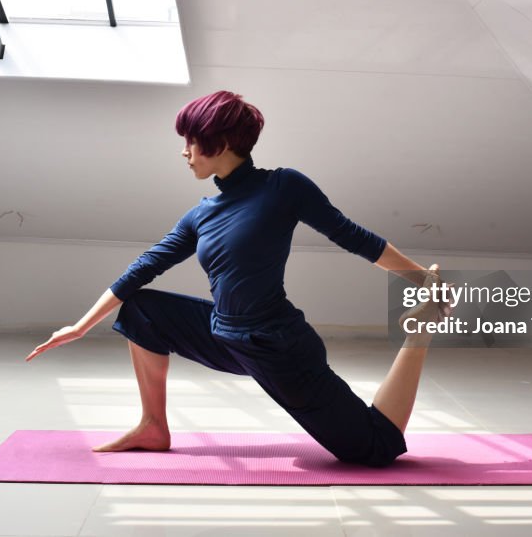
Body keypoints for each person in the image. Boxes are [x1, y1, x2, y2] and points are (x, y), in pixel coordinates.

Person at [26, 90, 447, 467]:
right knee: (141, 311)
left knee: (372, 449)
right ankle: (152, 426)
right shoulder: (201, 214)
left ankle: (421, 330)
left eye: (190, 141)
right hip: (224, 336)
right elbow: (144, 267)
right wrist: (81, 326)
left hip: (277, 346)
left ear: (221, 143)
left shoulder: (283, 187)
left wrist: (419, 279)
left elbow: (351, 236)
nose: (185, 151)